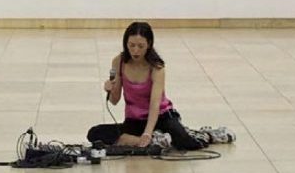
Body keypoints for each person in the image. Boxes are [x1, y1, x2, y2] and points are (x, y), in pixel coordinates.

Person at [88, 22, 228, 153]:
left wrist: (147, 134)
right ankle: (156, 139)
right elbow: (114, 100)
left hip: (161, 116)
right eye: (131, 45)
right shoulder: (118, 61)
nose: (135, 50)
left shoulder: (157, 67)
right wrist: (109, 89)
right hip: (135, 120)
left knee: (186, 144)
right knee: (95, 133)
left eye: (140, 46)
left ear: (149, 44)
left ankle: (205, 134)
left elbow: (155, 104)